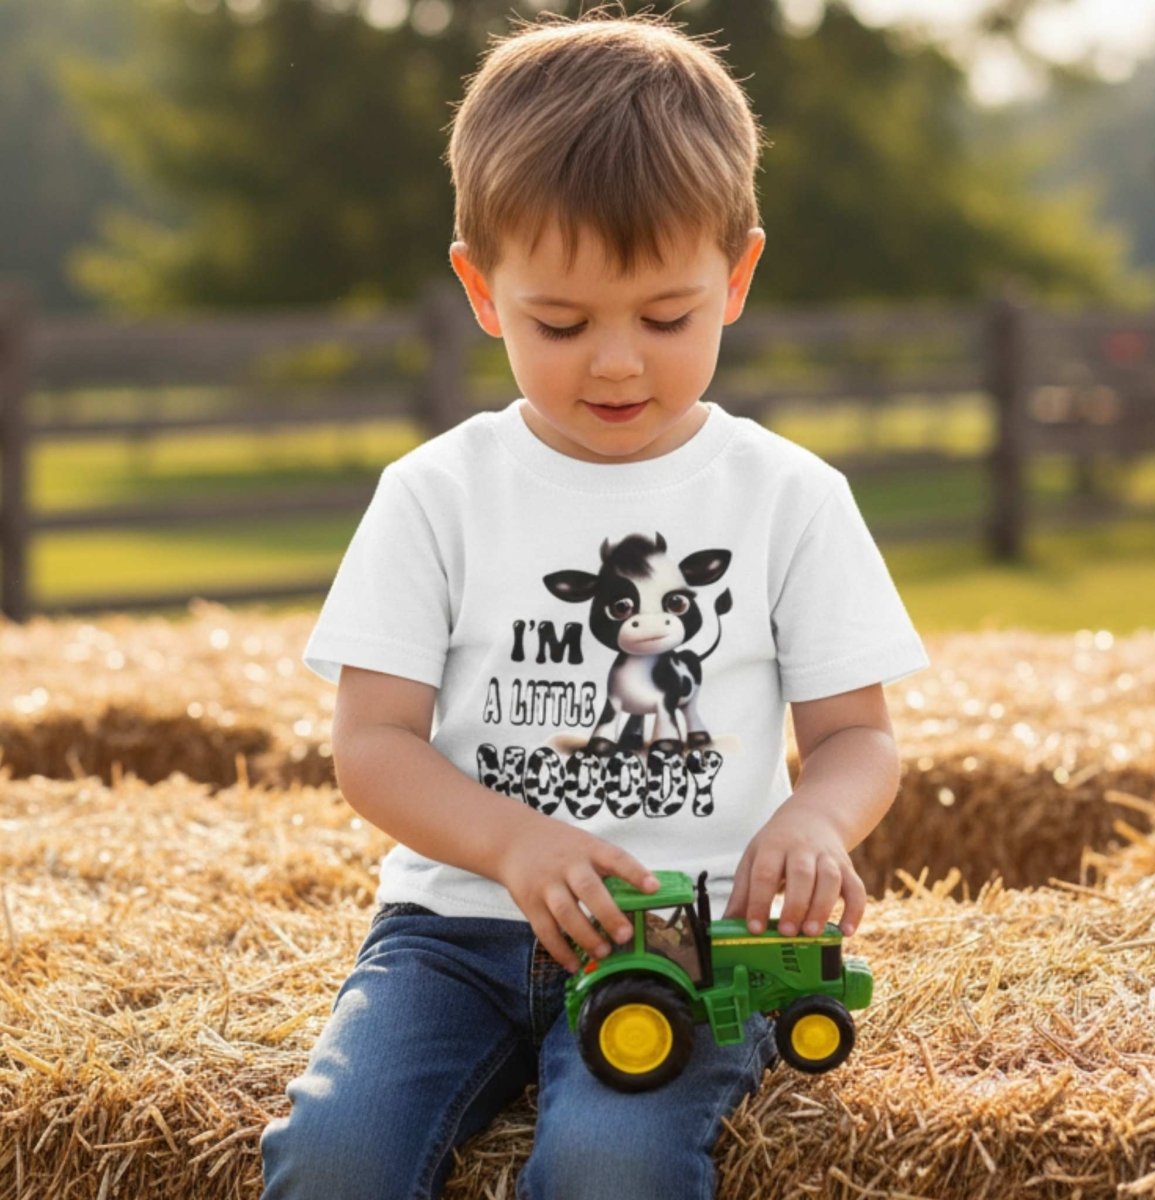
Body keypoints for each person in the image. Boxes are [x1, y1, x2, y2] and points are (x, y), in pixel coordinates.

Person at [259, 6, 930, 1198]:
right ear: (480, 289)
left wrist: (816, 823)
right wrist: (512, 844)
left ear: (738, 278)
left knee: (611, 1166)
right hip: (451, 939)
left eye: (665, 318)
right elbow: (371, 747)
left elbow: (856, 739)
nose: (616, 363)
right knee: (336, 1154)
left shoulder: (788, 497)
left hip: (688, 938)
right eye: (559, 324)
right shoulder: (436, 496)